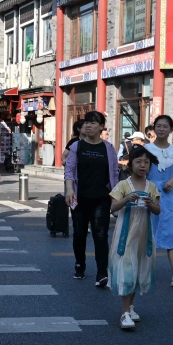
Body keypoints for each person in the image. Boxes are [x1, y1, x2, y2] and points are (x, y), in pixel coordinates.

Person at [64, 110, 119, 287]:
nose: (88, 125)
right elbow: (69, 170)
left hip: (102, 197)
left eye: (93, 122)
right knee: (79, 234)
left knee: (101, 235)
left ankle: (102, 272)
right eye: (86, 122)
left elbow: (114, 173)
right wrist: (69, 189)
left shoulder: (108, 148)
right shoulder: (77, 146)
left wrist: (116, 196)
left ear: (101, 127)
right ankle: (80, 265)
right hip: (80, 198)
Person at [108, 145, 160, 330]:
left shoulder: (151, 186)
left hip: (143, 236)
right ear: (130, 165)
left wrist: (150, 203)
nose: (143, 165)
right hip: (125, 234)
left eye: (146, 162)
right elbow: (113, 208)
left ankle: (130, 307)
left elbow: (157, 209)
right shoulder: (123, 185)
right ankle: (124, 313)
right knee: (127, 270)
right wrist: (127, 199)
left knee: (138, 270)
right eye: (138, 161)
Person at [145, 115, 173, 288]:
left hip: (169, 197)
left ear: (171, 130)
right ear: (154, 129)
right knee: (148, 232)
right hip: (149, 193)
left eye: (165, 126)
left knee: (171, 233)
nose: (162, 129)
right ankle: (145, 271)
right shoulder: (146, 149)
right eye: (159, 126)